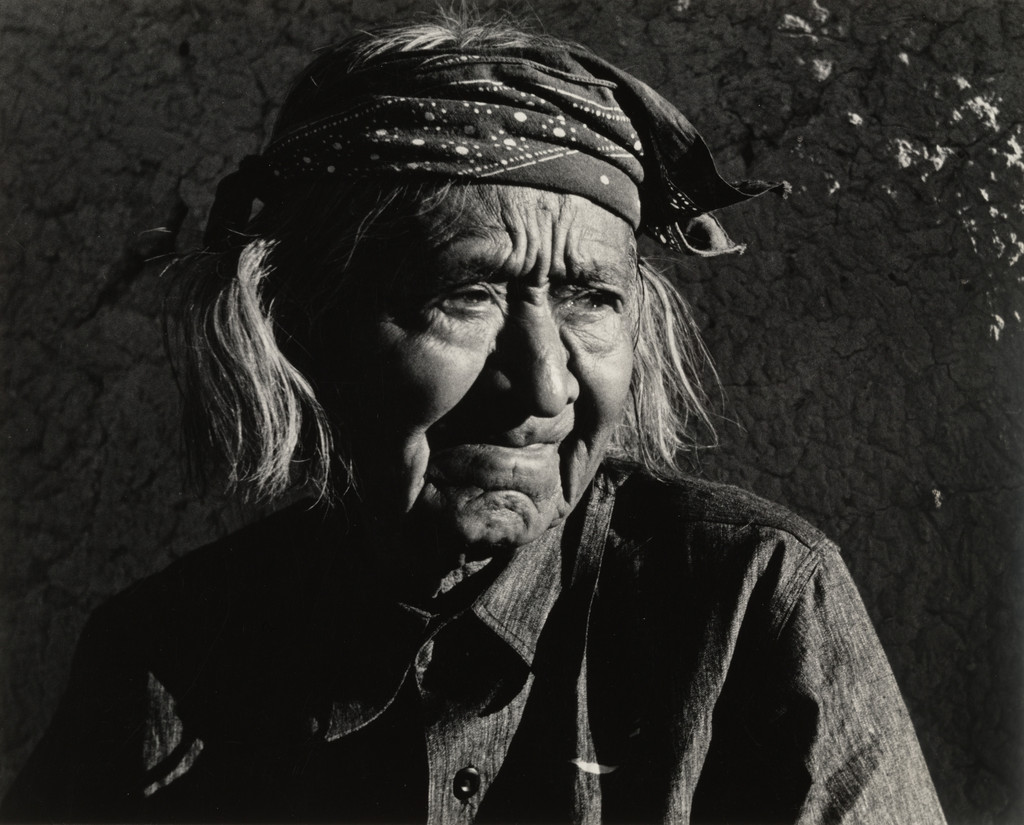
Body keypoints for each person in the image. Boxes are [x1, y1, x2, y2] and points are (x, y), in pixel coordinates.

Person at [2, 16, 947, 825]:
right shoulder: (168, 658)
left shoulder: (750, 604)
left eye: (589, 299)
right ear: (302, 324)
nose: (542, 387)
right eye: (466, 293)